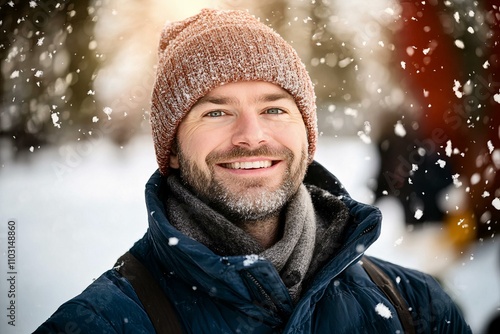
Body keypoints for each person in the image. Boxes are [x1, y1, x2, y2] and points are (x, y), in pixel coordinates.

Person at [35, 8, 471, 333]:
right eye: (216, 113)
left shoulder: (417, 309)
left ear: (307, 134)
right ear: (170, 150)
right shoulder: (103, 323)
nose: (251, 135)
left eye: (274, 108)